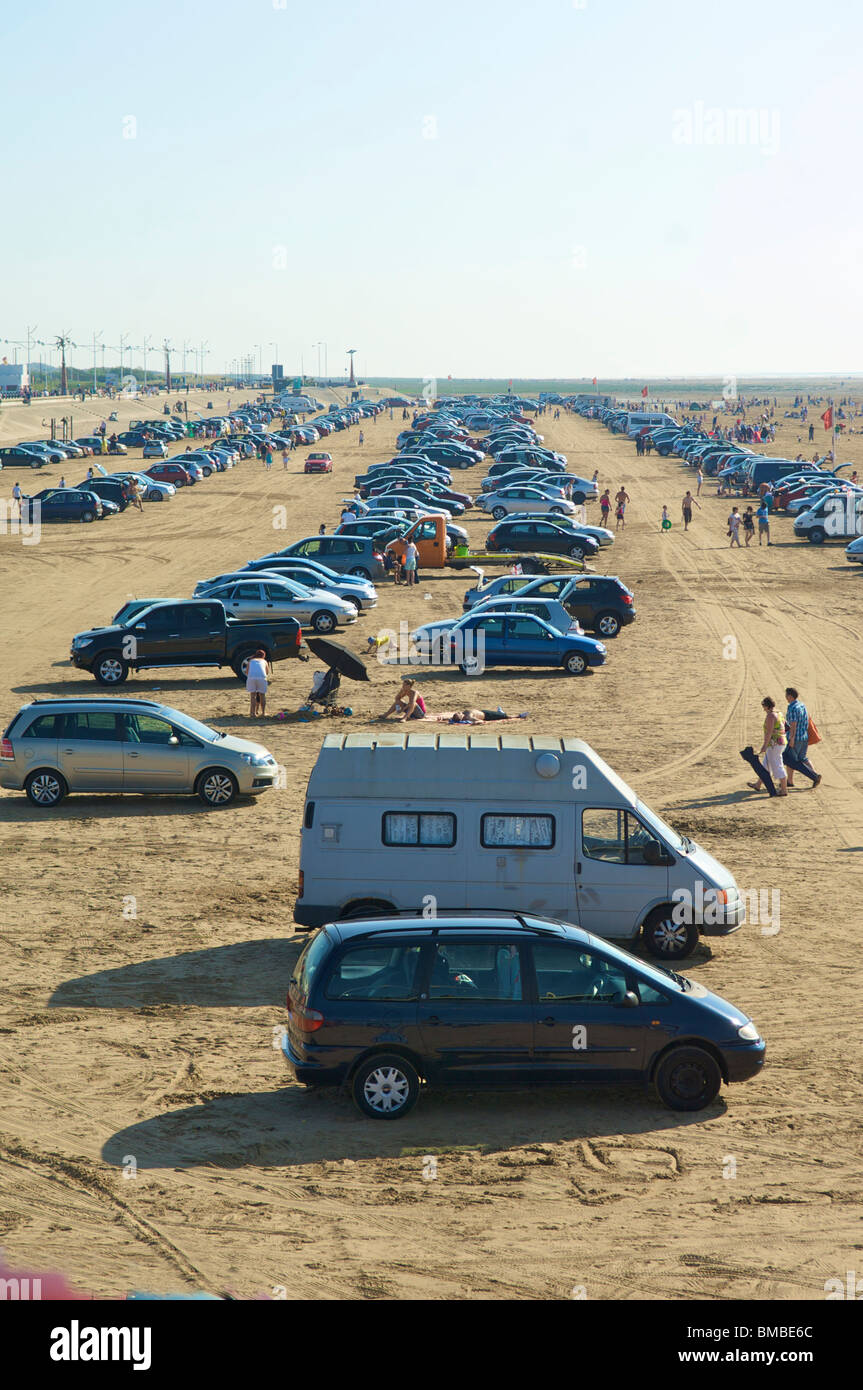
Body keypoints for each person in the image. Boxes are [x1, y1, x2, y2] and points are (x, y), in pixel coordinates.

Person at [748, 696, 788, 795]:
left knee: (777, 765)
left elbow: (769, 732)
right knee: (766, 765)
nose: (763, 709)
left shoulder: (770, 716)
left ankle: (784, 790)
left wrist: (764, 745)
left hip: (774, 744)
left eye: (764, 706)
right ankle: (758, 784)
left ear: (767, 706)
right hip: (781, 742)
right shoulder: (779, 713)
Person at [783, 687, 821, 789]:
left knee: (791, 760)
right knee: (803, 758)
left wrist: (791, 739)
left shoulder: (792, 708)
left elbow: (793, 725)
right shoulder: (802, 705)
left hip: (796, 738)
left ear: (790, 696)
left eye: (786, 695)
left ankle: (791, 781)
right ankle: (814, 775)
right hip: (804, 737)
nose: (785, 697)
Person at [246, 648, 271, 718]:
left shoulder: (251, 661)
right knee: (262, 695)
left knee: (252, 696)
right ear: (263, 656)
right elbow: (267, 672)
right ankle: (263, 712)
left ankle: (252, 713)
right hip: (261, 678)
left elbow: (247, 672)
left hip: (251, 678)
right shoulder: (264, 661)